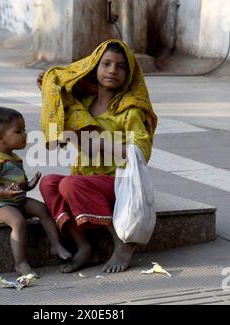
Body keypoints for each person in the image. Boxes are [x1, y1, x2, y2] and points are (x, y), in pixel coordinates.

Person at [37, 39, 157, 273]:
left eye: (121, 66)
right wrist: (49, 91)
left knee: (71, 184)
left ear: (129, 74)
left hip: (118, 183)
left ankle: (122, 242)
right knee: (49, 182)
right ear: (94, 66)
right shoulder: (85, 104)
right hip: (87, 181)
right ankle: (85, 248)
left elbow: (140, 152)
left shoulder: (129, 110)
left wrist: (102, 143)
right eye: (107, 64)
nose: (113, 70)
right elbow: (58, 135)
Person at [0, 106, 71, 277]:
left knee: (43, 209)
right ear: (0, 137)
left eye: (24, 130)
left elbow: (17, 183)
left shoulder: (14, 157)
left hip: (18, 199)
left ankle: (55, 244)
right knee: (18, 221)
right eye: (19, 131)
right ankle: (20, 263)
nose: (25, 135)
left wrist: (29, 185)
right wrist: (4, 192)